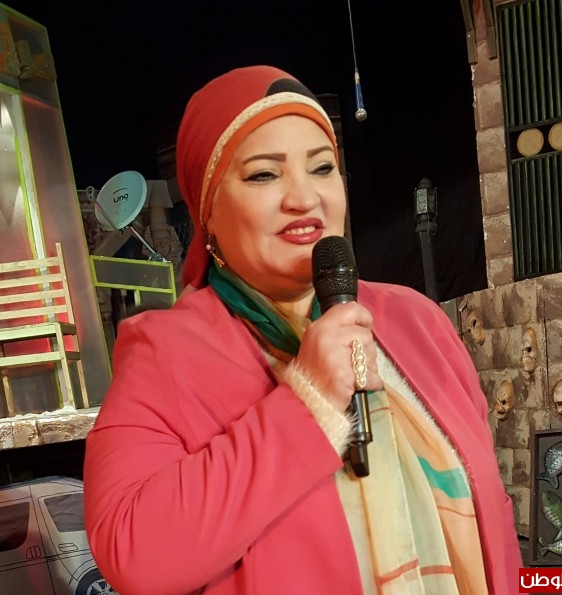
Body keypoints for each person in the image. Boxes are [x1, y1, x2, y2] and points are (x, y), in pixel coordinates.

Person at [83, 65, 521, 595]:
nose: (304, 197)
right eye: (264, 175)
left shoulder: (418, 321)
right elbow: (133, 551)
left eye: (322, 167)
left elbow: (492, 516)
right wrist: (307, 403)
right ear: (208, 213)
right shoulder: (165, 353)